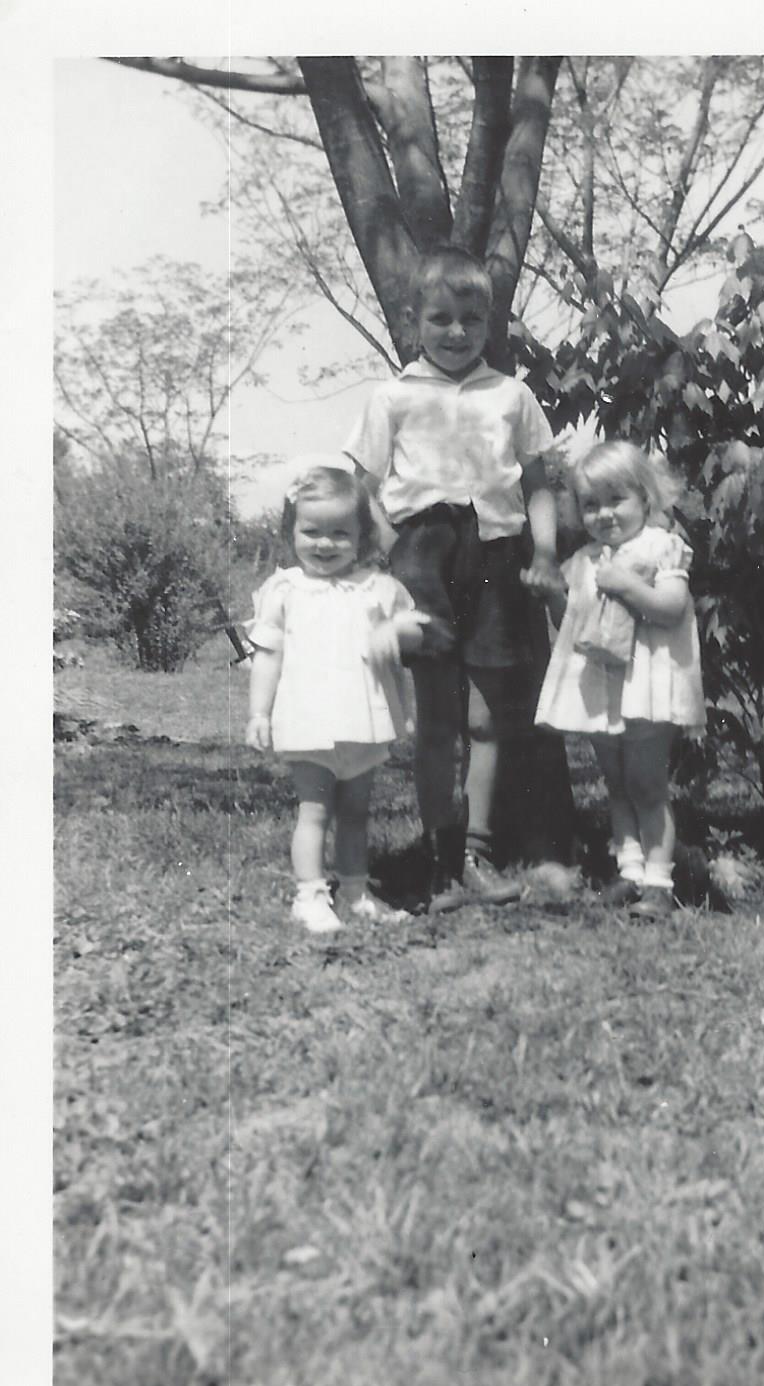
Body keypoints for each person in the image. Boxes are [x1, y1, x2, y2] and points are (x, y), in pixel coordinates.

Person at [343, 245, 563, 912]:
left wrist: (545, 550)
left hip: (497, 556)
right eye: (441, 318)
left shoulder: (512, 394)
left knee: (489, 720)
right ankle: (439, 858)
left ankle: (477, 849)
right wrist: (397, 556)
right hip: (425, 557)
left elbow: (538, 482)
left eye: (471, 318)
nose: (457, 331)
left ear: (489, 322)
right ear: (414, 321)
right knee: (437, 721)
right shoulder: (392, 397)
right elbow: (363, 488)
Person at [245, 460, 428, 934]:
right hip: (309, 721)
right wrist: (258, 713)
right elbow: (268, 656)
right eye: (312, 532)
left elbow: (410, 642)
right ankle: (309, 895)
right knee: (315, 809)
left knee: (355, 812)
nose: (324, 544)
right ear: (292, 532)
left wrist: (401, 633)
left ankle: (355, 890)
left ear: (362, 536)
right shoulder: (286, 589)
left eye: (339, 534)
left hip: (362, 720)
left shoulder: (379, 589)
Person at [532, 441, 707, 920]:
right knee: (617, 784)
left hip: (647, 686)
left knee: (647, 784)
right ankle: (628, 871)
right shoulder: (585, 559)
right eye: (591, 505)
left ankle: (658, 881)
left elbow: (671, 610)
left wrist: (629, 586)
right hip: (601, 687)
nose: (604, 515)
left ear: (645, 499)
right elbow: (572, 620)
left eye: (616, 500)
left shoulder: (660, 547)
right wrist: (552, 594)